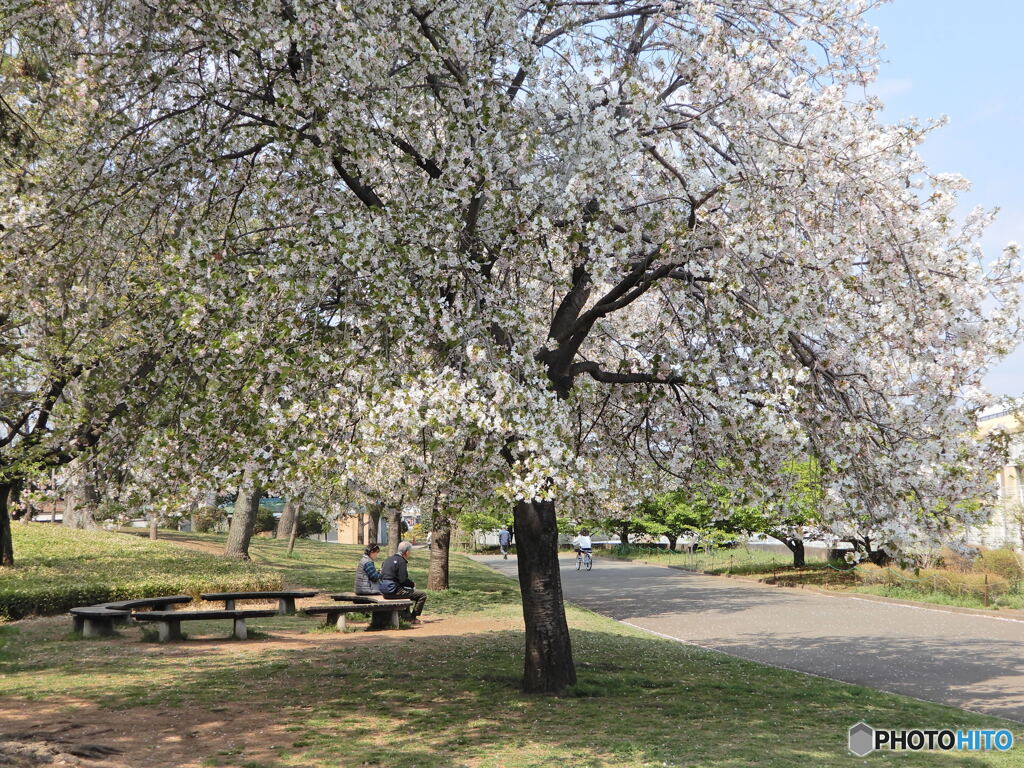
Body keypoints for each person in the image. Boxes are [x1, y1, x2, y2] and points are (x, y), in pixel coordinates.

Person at [379, 541, 427, 624]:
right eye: (410, 551)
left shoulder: (388, 560)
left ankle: (406, 616)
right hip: (393, 591)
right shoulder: (401, 561)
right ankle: (412, 618)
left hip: (384, 591)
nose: (410, 553)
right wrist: (412, 584)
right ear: (407, 552)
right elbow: (403, 580)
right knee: (422, 595)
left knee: (406, 591)